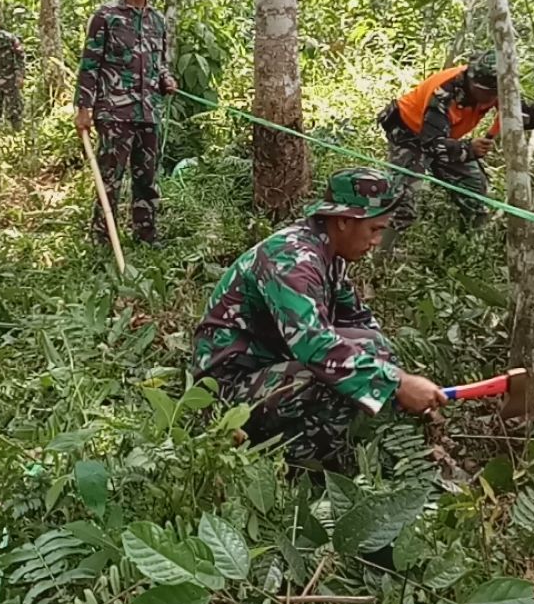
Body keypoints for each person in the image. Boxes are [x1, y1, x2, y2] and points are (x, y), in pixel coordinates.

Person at [192, 168, 448, 469]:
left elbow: (362, 326)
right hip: (223, 394)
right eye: (375, 230)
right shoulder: (292, 259)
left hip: (269, 369)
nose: (377, 241)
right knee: (328, 375)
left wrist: (398, 381)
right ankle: (299, 467)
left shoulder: (327, 257)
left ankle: (357, 452)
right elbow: (314, 345)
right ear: (343, 221)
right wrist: (395, 383)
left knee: (372, 347)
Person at [376, 50, 534, 243]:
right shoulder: (444, 93)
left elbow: (519, 117)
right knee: (402, 202)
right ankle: (380, 257)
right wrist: (468, 149)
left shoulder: (501, 90)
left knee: (474, 185)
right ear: (471, 79)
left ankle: (472, 246)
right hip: (409, 134)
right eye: (483, 90)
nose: (489, 97)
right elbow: (431, 144)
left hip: (447, 140)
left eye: (493, 93)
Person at [75, 0, 179, 246]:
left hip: (148, 112)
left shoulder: (157, 20)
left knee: (147, 179)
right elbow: (90, 63)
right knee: (110, 178)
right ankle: (102, 238)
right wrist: (84, 106)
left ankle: (146, 235)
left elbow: (159, 62)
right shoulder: (106, 16)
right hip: (114, 112)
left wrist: (165, 79)